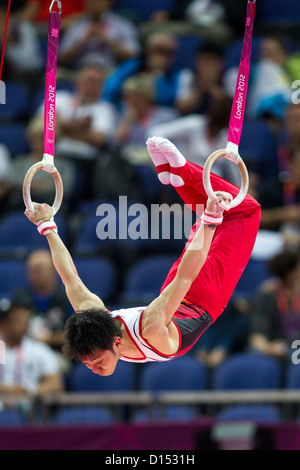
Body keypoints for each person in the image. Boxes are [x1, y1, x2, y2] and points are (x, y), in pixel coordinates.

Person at [25, 137, 260, 376]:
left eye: (96, 361)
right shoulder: (112, 325)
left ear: (116, 343)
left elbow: (69, 277)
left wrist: (47, 227)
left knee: (245, 212)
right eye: (89, 364)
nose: (94, 368)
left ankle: (181, 172)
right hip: (179, 290)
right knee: (217, 209)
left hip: (199, 294)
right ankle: (176, 174)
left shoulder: (148, 327)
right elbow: (182, 278)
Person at [0, 298, 64, 396]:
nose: (24, 323)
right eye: (17, 320)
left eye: (25, 319)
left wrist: (29, 391)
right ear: (4, 324)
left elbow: (56, 385)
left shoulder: (37, 349)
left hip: (27, 406)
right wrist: (6, 389)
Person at [12, 249, 71, 354]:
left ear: (53, 271)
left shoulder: (68, 297)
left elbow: (77, 335)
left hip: (57, 353)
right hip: (24, 352)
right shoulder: (20, 298)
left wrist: (48, 339)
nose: (34, 275)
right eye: (31, 270)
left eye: (38, 270)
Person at [247, 251, 300, 361]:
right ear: (289, 274)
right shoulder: (267, 296)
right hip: (273, 346)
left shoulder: (297, 295)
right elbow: (258, 336)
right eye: (298, 270)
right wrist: (270, 348)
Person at [59, 0, 140, 70]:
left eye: (99, 0)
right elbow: (61, 58)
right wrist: (84, 39)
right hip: (80, 72)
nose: (95, 4)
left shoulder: (122, 24)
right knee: (53, 75)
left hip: (110, 72)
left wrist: (106, 38)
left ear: (108, 2)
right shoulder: (76, 26)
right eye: (91, 1)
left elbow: (133, 54)